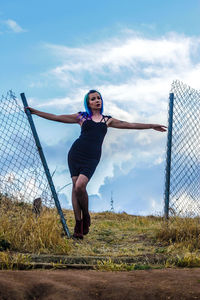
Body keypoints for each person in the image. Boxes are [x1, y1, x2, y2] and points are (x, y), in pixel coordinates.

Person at [24, 89, 167, 239]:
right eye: (93, 99)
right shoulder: (82, 117)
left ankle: (86, 215)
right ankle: (79, 224)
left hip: (92, 157)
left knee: (80, 186)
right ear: (88, 103)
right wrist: (35, 112)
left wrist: (151, 125)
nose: (97, 100)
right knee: (75, 188)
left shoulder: (107, 120)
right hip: (75, 154)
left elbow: (130, 125)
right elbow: (57, 117)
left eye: (99, 98)